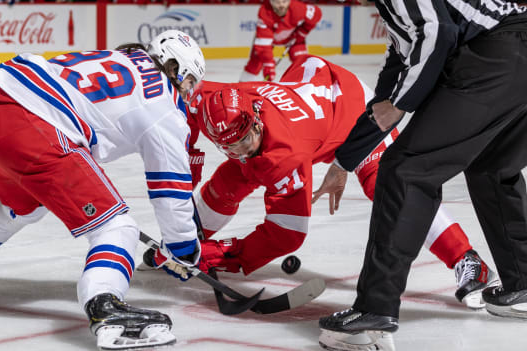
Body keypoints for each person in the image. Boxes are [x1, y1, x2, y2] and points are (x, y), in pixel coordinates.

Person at [0, 30, 206, 350]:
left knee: (23, 208)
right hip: (36, 128)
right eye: (189, 80)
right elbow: (171, 192)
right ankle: (105, 306)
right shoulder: (164, 105)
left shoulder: (121, 56)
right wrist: (184, 248)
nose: (189, 91)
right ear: (174, 66)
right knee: (116, 226)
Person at [181, 54, 496, 310]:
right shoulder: (215, 102)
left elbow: (287, 234)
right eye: (229, 145)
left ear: (258, 117)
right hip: (314, 81)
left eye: (246, 138)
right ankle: (187, 240)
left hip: (355, 110)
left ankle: (467, 259)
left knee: (391, 187)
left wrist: (225, 255)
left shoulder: (285, 153)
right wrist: (183, 243)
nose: (240, 148)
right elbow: (182, 99)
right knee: (234, 173)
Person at [316, 0, 527, 350]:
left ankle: (375, 309)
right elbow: (388, 92)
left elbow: (438, 33)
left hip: (498, 53)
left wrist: (401, 103)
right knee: (492, 167)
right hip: (516, 50)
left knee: (406, 171)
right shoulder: (400, 22)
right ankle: (523, 284)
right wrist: (343, 163)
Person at [240, 0, 322, 82]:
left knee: (302, 62)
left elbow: (316, 14)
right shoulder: (264, 11)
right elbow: (263, 45)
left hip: (293, 38)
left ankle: (305, 87)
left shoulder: (298, 8)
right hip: (269, 39)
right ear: (271, 2)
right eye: (277, 2)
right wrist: (269, 64)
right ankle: (241, 89)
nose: (281, 5)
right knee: (254, 64)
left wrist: (302, 32)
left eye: (284, 1)